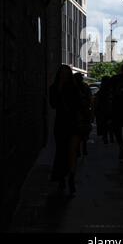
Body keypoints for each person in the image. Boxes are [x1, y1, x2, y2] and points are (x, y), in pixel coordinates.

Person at [49, 65, 83, 195]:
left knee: (72, 151)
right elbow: (53, 104)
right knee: (61, 151)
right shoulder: (53, 88)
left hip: (74, 123)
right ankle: (62, 177)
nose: (64, 76)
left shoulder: (74, 89)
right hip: (61, 124)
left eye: (66, 74)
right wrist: (59, 89)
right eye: (62, 74)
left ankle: (71, 177)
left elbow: (80, 105)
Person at [73, 72, 93, 157]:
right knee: (84, 130)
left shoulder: (73, 87)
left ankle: (78, 148)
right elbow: (90, 99)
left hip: (78, 112)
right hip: (83, 112)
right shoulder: (84, 86)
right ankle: (83, 146)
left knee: (78, 131)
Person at [94, 76, 114, 144]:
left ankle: (105, 138)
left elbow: (97, 102)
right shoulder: (112, 90)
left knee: (104, 125)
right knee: (111, 124)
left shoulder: (101, 91)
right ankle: (111, 138)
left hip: (102, 111)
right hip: (111, 110)